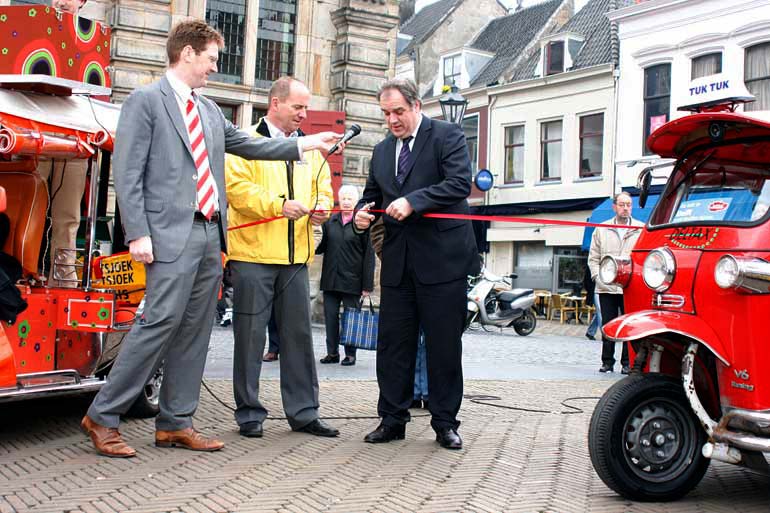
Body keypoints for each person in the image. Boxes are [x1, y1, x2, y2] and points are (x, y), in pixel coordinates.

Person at [80, 20, 342, 458]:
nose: (214, 69)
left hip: (209, 233)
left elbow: (251, 145)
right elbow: (127, 174)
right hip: (166, 235)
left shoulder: (208, 110)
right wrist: (138, 233)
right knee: (156, 323)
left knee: (196, 328)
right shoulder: (145, 101)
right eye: (211, 59)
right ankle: (102, 416)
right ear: (187, 54)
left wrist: (308, 143)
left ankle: (176, 422)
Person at [354, 78, 479, 450]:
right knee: (393, 345)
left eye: (398, 112)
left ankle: (444, 423)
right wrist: (362, 214)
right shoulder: (380, 152)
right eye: (386, 114)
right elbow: (372, 198)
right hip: (397, 263)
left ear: (416, 106)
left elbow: (460, 184)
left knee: (443, 346)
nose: (392, 120)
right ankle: (392, 419)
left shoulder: (447, 135)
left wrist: (414, 201)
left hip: (442, 262)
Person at [225, 76, 338, 439]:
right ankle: (249, 414)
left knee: (299, 339)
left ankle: (304, 413)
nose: (305, 115)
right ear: (275, 103)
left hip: (294, 260)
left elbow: (325, 190)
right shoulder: (244, 141)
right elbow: (237, 190)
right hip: (253, 256)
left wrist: (322, 209)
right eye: (298, 107)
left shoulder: (311, 149)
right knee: (250, 338)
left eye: (306, 107)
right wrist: (279, 206)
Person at [38, 0, 89, 285]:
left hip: (74, 136)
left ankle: (63, 280)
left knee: (67, 217)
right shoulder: (35, 28)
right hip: (36, 135)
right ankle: (20, 272)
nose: (61, 1)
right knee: (28, 209)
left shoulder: (91, 37)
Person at [316, 184, 375, 366]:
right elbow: (320, 248)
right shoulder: (330, 222)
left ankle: (350, 354)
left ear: (356, 201)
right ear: (339, 201)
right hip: (331, 280)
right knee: (331, 318)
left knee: (351, 320)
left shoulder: (362, 224)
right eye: (344, 199)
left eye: (350, 198)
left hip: (353, 281)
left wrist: (367, 286)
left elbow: (369, 257)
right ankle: (332, 353)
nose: (347, 202)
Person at [588, 192, 643, 374]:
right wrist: (598, 277)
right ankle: (607, 362)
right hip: (607, 287)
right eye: (622, 204)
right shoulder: (602, 229)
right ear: (614, 207)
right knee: (608, 325)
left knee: (629, 326)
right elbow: (593, 258)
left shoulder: (640, 229)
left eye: (628, 205)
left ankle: (627, 363)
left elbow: (644, 257)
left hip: (630, 288)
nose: (625, 208)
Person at [583, 261, 601, 340]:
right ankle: (605, 334)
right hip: (595, 290)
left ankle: (590, 332)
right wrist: (590, 290)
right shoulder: (592, 265)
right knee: (601, 311)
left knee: (600, 312)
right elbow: (586, 280)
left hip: (604, 290)